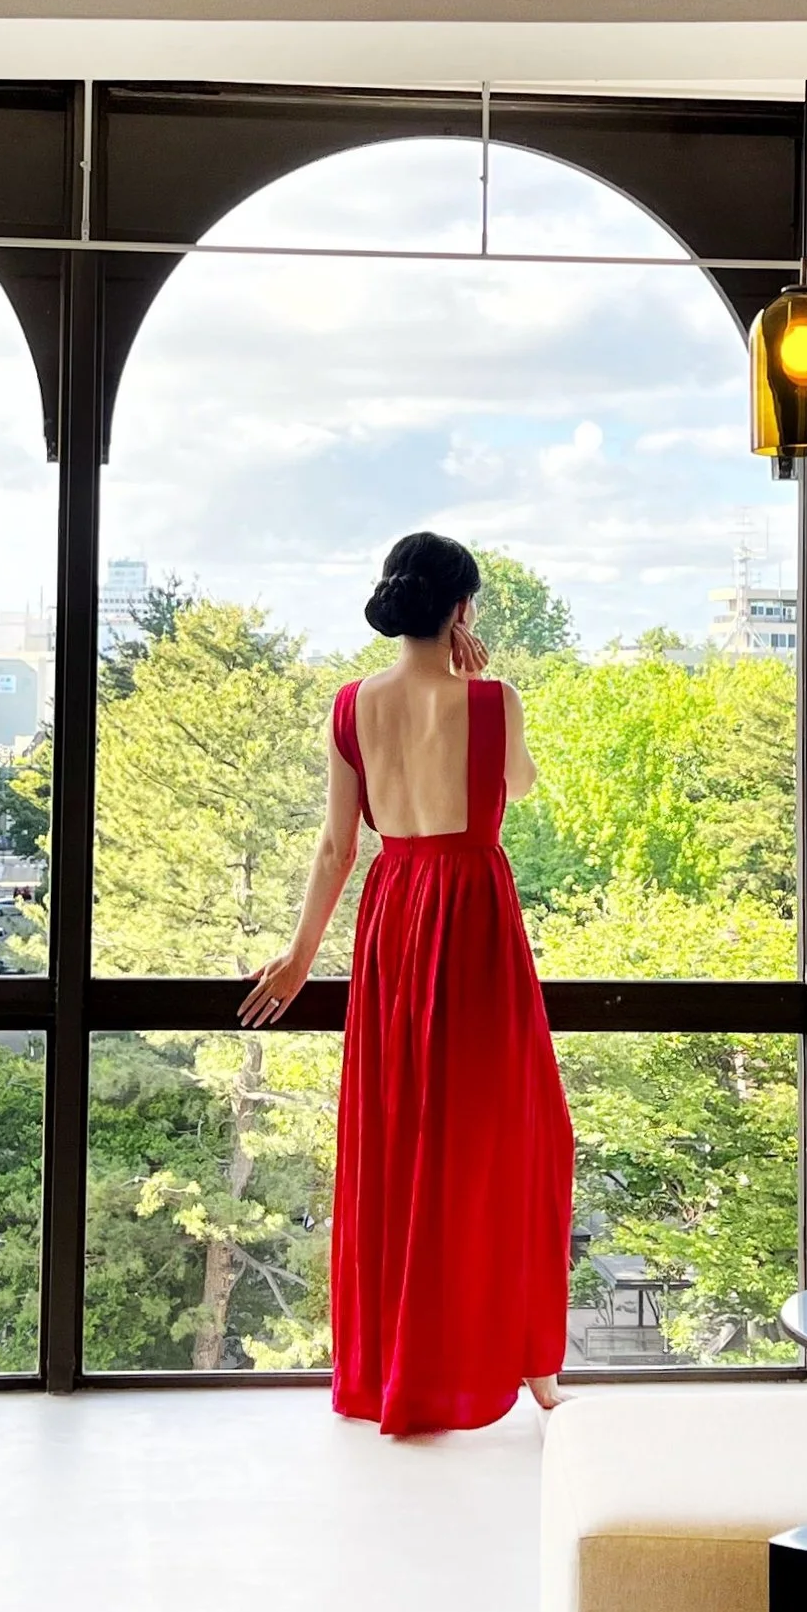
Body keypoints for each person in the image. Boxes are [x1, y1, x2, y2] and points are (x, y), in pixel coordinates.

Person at [241, 531, 574, 1434]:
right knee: (517, 1133)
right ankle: (532, 1363)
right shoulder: (494, 701)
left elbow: (336, 848)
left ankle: (397, 1366)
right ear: (462, 609)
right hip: (474, 919)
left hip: (394, 918)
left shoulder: (353, 706)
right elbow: (520, 786)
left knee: (400, 1136)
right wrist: (477, 680)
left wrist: (302, 956)